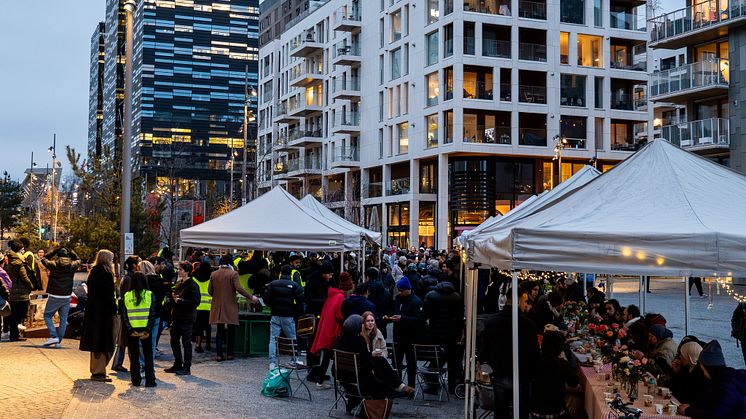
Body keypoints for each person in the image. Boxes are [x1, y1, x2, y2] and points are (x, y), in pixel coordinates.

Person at [481, 288, 539, 418]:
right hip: (522, 375)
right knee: (521, 412)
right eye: (525, 301)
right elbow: (534, 353)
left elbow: (485, 351)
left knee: (501, 411)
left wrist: (494, 363)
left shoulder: (491, 321)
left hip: (500, 372)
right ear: (518, 300)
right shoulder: (527, 324)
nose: (526, 305)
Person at [333, 315, 398, 414]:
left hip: (340, 377)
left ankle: (353, 403)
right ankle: (369, 411)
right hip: (357, 379)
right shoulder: (359, 341)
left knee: (375, 377)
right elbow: (368, 363)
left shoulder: (338, 339)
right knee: (377, 382)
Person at [209, 255, 258, 362]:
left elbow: (210, 291)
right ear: (230, 263)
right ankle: (230, 354)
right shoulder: (233, 274)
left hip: (218, 305)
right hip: (230, 304)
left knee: (219, 331)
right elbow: (238, 288)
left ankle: (219, 355)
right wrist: (251, 297)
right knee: (231, 330)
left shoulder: (214, 274)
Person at [678, 340, 746, 418]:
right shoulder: (718, 379)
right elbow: (708, 403)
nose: (703, 373)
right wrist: (692, 406)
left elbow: (715, 415)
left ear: (709, 368)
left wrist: (688, 410)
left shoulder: (728, 386)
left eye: (703, 368)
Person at [79, 249, 118, 382]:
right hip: (104, 314)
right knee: (105, 342)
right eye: (111, 259)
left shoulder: (93, 273)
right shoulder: (106, 274)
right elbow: (108, 296)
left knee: (96, 342)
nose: (112, 262)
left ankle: (96, 370)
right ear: (107, 260)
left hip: (93, 312)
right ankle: (99, 372)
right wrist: (115, 309)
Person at [423, 280, 464, 393]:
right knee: (452, 360)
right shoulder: (457, 297)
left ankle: (433, 385)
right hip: (452, 334)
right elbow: (460, 317)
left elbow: (425, 315)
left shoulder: (431, 296)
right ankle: (451, 386)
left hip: (435, 334)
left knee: (435, 359)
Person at [384, 277, 425, 389]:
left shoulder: (417, 302)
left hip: (411, 337)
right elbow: (393, 310)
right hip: (398, 336)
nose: (400, 292)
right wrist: (389, 317)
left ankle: (411, 387)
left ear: (408, 289)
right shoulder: (398, 299)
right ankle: (398, 385)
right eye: (399, 290)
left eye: (402, 290)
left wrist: (402, 318)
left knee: (411, 363)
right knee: (397, 363)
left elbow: (419, 320)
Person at [530, 330, 580, 419]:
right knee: (577, 394)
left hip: (534, 411)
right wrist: (564, 359)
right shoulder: (561, 364)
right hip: (557, 412)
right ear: (559, 346)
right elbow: (574, 382)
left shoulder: (533, 361)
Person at [308, 277, 346, 389]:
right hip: (333, 331)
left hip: (326, 330)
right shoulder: (340, 297)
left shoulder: (331, 296)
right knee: (333, 356)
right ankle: (330, 380)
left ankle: (321, 380)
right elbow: (339, 315)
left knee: (327, 356)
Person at [264, 265, 304, 369]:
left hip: (275, 314)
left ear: (281, 273)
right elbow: (300, 299)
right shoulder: (294, 285)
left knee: (273, 338)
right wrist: (294, 308)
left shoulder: (272, 284)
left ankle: (272, 362)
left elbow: (266, 298)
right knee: (292, 338)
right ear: (290, 273)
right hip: (288, 315)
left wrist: (272, 306)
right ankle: (294, 359)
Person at [121, 271, 158, 387]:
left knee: (134, 356)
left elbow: (124, 315)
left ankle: (135, 380)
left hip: (132, 330)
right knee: (148, 355)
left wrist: (130, 329)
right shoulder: (149, 294)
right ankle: (150, 381)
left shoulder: (127, 296)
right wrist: (148, 329)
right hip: (145, 330)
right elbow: (153, 314)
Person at [40, 247, 81, 347]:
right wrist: (71, 251)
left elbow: (43, 259)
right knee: (63, 318)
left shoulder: (53, 264)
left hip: (54, 294)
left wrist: (54, 251)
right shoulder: (72, 265)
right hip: (66, 295)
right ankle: (58, 341)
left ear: (58, 255)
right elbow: (79, 260)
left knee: (47, 315)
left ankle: (54, 336)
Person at [165, 261, 200, 375]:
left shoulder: (193, 285)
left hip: (186, 317)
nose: (178, 271)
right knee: (174, 341)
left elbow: (195, 302)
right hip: (176, 317)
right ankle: (177, 363)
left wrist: (181, 300)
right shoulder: (179, 283)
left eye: (180, 269)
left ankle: (187, 367)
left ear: (187, 271)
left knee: (186, 343)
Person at [112, 255, 140, 372]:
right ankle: (118, 363)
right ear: (133, 265)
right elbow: (127, 297)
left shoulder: (128, 277)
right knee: (123, 339)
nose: (140, 265)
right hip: (127, 313)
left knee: (123, 339)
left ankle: (118, 363)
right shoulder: (129, 278)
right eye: (138, 263)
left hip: (126, 312)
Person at [5, 240, 34, 342]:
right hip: (20, 292)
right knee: (18, 315)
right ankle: (14, 335)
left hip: (11, 290)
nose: (23, 251)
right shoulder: (18, 263)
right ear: (18, 250)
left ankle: (13, 334)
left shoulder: (8, 259)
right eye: (22, 249)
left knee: (13, 314)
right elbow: (24, 277)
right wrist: (31, 286)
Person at [193, 260, 213, 353]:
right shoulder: (211, 278)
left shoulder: (194, 277)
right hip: (209, 306)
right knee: (208, 326)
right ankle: (208, 343)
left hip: (197, 305)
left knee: (198, 327)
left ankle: (198, 344)